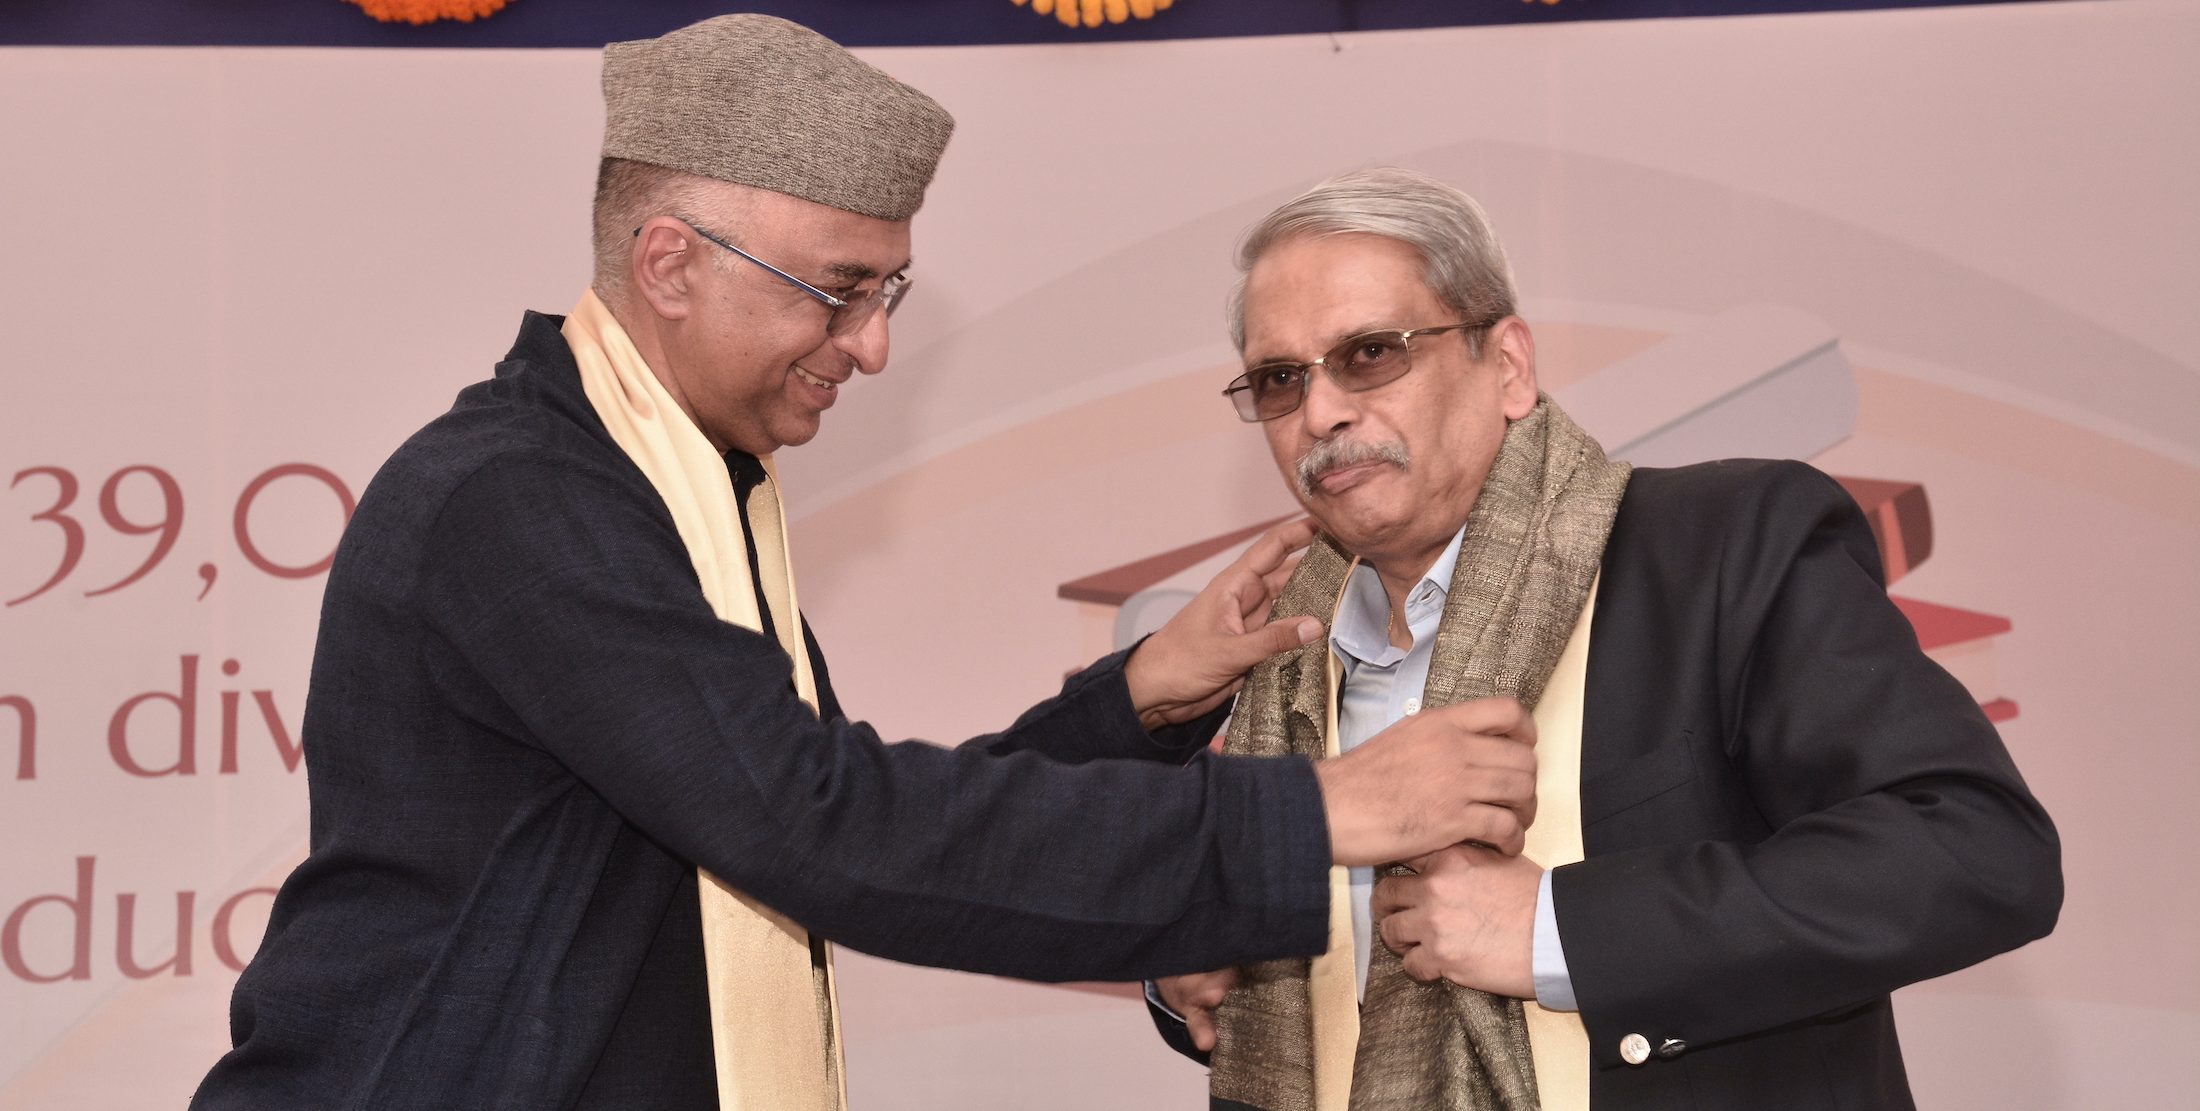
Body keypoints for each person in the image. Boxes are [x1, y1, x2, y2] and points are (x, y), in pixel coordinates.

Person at [187, 21, 1546, 1111]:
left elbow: (831, 812)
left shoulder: (679, 492)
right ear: (669, 262)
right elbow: (825, 831)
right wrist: (1316, 814)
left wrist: (1140, 697)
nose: (872, 345)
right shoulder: (523, 499)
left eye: (883, 291)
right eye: (838, 289)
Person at [1149, 167, 2062, 1110]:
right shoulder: (1275, 654)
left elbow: (1978, 847)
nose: (1321, 413)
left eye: (1372, 352)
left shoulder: (1722, 547)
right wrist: (1189, 975)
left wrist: (1560, 929)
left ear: (1508, 365)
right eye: (1280, 378)